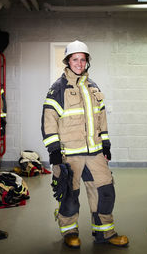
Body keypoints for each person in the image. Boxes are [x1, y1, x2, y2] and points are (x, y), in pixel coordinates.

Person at [41, 40, 129, 248]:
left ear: (87, 61)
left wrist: (105, 144)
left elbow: (101, 118)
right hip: (69, 154)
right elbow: (48, 120)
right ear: (68, 61)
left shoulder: (93, 87)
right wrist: (53, 151)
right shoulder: (57, 89)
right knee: (69, 195)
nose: (79, 63)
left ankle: (105, 233)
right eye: (75, 59)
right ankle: (70, 232)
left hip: (95, 153)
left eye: (83, 59)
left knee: (105, 191)